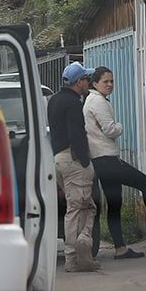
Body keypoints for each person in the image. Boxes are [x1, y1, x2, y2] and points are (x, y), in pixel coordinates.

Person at [85, 67, 146, 259]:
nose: (110, 85)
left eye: (112, 81)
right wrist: (120, 126)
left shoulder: (91, 100)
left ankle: (120, 248)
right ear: (95, 84)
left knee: (115, 204)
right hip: (107, 159)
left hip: (100, 161)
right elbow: (110, 130)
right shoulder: (98, 102)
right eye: (106, 82)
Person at [48, 61, 99, 272]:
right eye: (87, 79)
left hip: (59, 159)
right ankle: (74, 259)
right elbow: (77, 133)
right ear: (78, 82)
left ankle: (81, 254)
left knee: (85, 207)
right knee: (78, 209)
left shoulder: (54, 100)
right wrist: (86, 162)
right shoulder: (74, 103)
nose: (89, 82)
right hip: (74, 159)